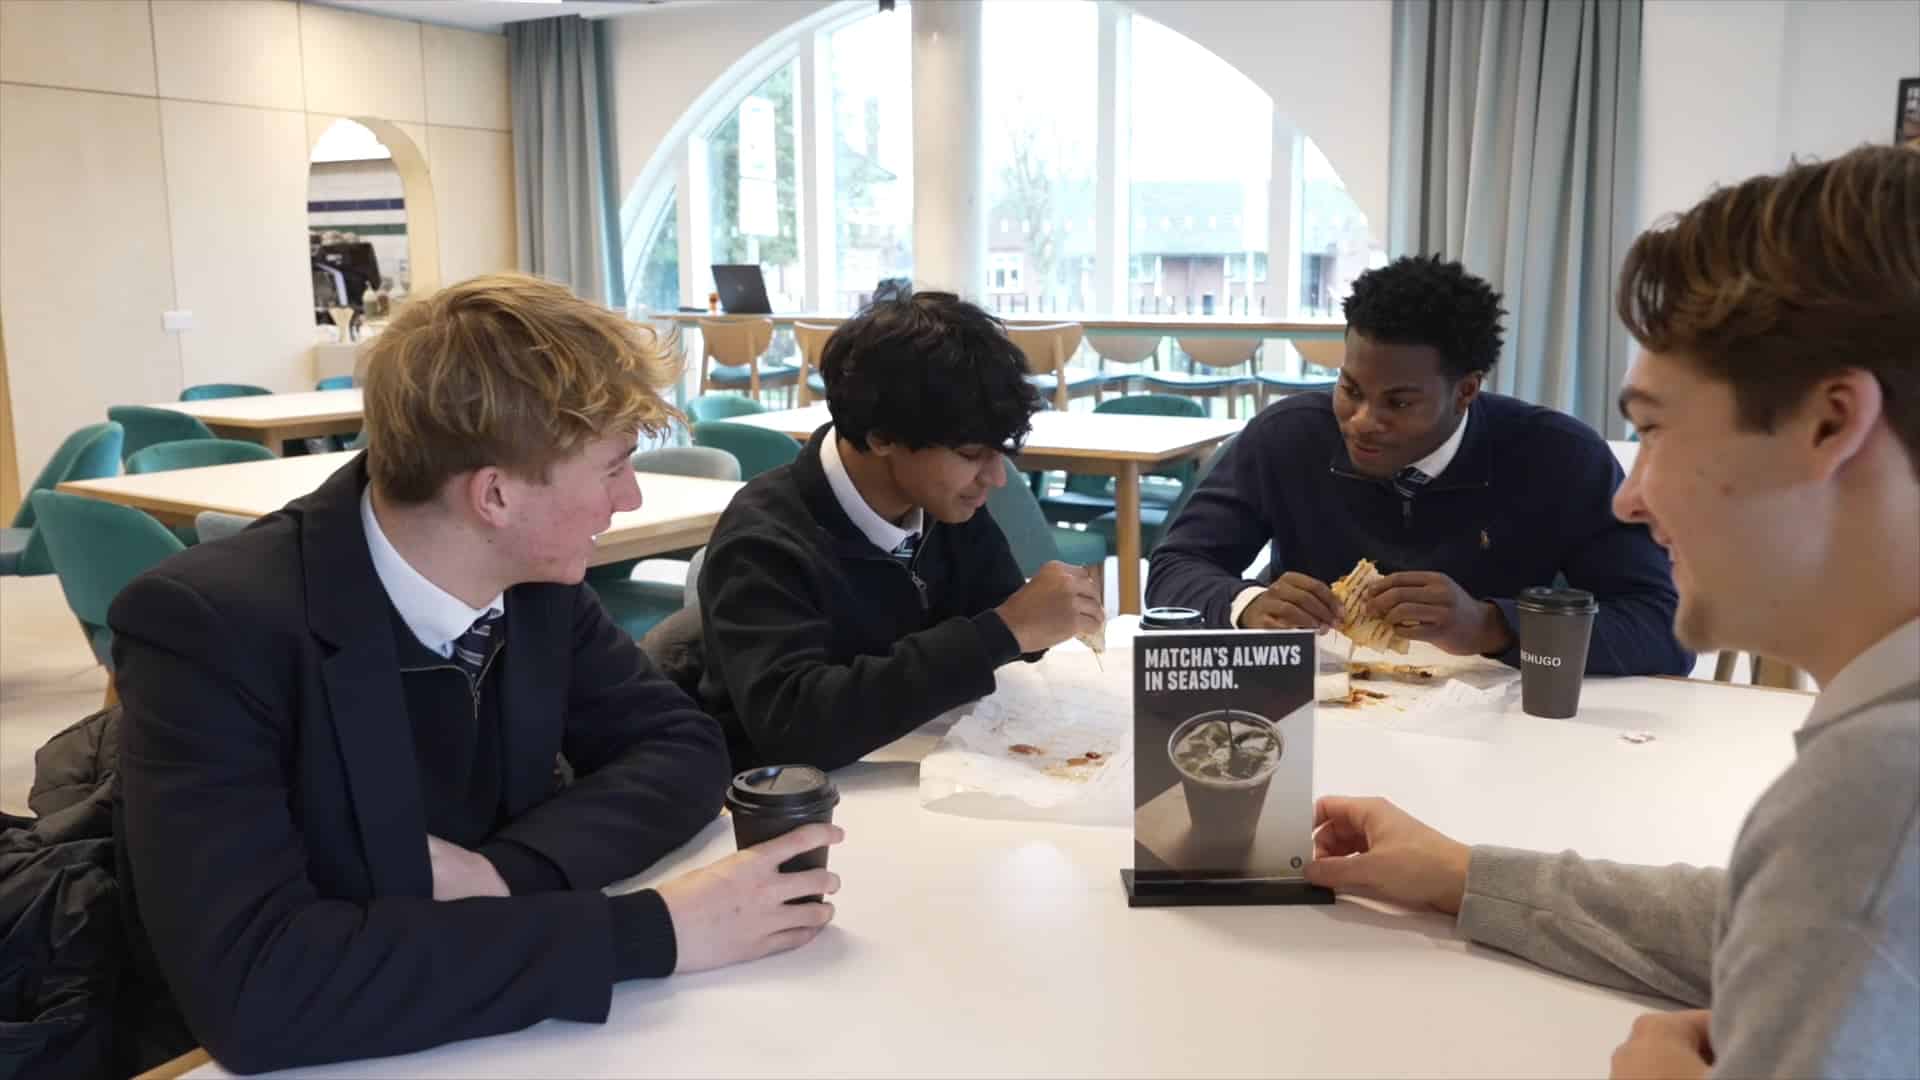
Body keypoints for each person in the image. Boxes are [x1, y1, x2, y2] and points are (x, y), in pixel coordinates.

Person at [110, 274, 844, 1074]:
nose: (628, 500)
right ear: (493, 495)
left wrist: (506, 874)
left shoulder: (531, 582)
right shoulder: (211, 628)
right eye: (612, 469)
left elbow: (682, 749)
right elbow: (257, 993)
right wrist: (651, 931)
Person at [1304, 146, 1919, 1078]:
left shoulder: (1878, 796)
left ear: (1828, 425)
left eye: (1659, 429)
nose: (1632, 499)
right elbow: (1781, 921)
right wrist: (1463, 876)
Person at [1146, 255, 1690, 676]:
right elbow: (1173, 570)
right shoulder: (1288, 437)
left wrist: (1493, 626)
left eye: (1398, 403)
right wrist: (1247, 603)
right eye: (1350, 388)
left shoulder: (1558, 458)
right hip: (1321, 721)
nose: (1361, 421)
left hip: (1503, 741)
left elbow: (1664, 629)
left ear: (1466, 391)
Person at [697, 291, 1105, 771]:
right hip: (801, 801)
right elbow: (794, 726)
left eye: (1001, 453)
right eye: (973, 455)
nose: (995, 479)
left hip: (924, 766)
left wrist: (1043, 618)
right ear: (883, 436)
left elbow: (1001, 626)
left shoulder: (943, 507)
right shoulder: (764, 541)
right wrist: (1006, 631)